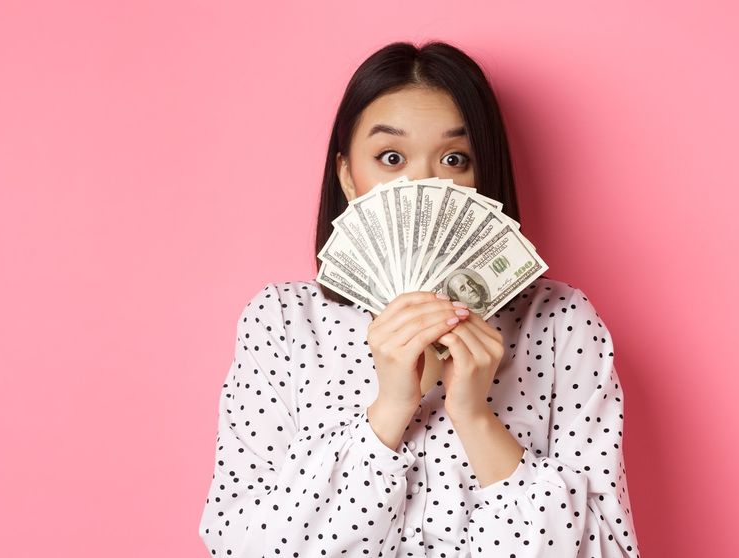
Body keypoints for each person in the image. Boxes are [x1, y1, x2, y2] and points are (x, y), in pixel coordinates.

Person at [198, 41, 641, 557]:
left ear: (486, 177)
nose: (426, 185)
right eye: (391, 158)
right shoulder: (283, 323)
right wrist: (390, 408)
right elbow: (242, 545)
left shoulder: (560, 322)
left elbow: (607, 550)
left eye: (455, 159)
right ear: (347, 176)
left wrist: (475, 417)